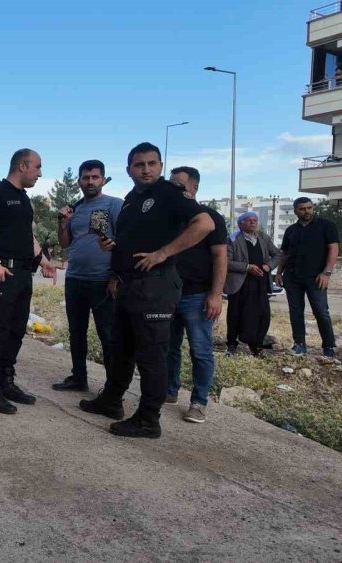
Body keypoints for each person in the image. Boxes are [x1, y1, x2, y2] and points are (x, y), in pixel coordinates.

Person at [79, 142, 215, 438]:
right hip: (129, 286)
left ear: (161, 166)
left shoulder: (168, 194)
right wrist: (114, 249)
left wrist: (164, 253)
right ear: (129, 169)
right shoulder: (131, 199)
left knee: (152, 355)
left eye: (152, 163)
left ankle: (148, 419)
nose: (146, 169)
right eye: (139, 165)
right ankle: (111, 401)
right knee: (121, 349)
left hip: (156, 286)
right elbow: (134, 239)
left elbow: (204, 224)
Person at [0, 149, 54, 415]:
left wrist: (42, 259)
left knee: (16, 329)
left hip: (23, 275)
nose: (40, 173)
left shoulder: (24, 199)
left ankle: (6, 381)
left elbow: (26, 236)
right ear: (22, 166)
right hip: (2, 273)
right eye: (37, 167)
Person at [52, 159, 124, 393]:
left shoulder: (113, 205)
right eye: (85, 177)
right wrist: (63, 224)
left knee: (108, 334)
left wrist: (116, 277)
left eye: (95, 177)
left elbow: (124, 243)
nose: (90, 181)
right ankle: (78, 377)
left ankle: (112, 387)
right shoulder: (76, 209)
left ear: (103, 179)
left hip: (103, 280)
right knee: (76, 332)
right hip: (75, 279)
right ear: (80, 181)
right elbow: (65, 243)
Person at [164, 166, 228, 424]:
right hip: (168, 294)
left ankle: (199, 402)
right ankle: (169, 391)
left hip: (197, 296)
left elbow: (220, 256)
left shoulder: (210, 217)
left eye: (179, 186)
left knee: (200, 351)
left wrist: (216, 295)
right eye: (171, 186)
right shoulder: (168, 218)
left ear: (194, 188)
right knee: (169, 348)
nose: (175, 191)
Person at [276, 197, 340, 357]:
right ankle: (299, 345)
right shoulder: (291, 230)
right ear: (296, 210)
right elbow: (285, 254)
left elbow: (333, 249)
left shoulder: (326, 226)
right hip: (293, 277)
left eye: (309, 208)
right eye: (303, 209)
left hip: (316, 277)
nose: (307, 211)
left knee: (321, 311)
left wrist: (327, 273)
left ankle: (329, 347)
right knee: (295, 312)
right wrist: (278, 273)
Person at [226, 211, 282, 356]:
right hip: (240, 283)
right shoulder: (233, 239)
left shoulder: (263, 237)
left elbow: (278, 254)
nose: (252, 222)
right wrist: (247, 267)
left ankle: (256, 343)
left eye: (255, 220)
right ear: (241, 224)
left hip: (260, 282)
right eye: (248, 220)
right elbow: (225, 261)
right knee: (236, 313)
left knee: (261, 313)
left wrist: (269, 266)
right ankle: (232, 344)